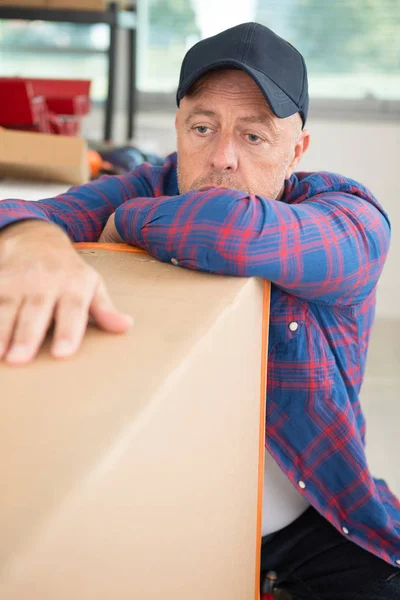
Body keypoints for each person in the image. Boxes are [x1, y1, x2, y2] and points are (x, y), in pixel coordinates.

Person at [0, 22, 399, 599]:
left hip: (323, 513)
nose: (223, 159)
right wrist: (32, 238)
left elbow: (236, 232)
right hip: (174, 519)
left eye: (254, 136)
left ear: (298, 148)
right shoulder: (153, 181)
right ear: (179, 128)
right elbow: (18, 210)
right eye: (202, 128)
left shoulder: (351, 220)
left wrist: (127, 221)